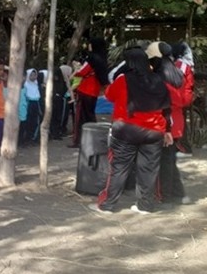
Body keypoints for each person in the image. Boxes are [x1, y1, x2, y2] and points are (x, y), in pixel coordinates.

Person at [89, 48, 172, 214]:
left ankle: (107, 205)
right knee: (148, 170)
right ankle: (145, 206)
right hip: (154, 131)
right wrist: (168, 131)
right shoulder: (159, 80)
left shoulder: (123, 79)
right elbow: (167, 108)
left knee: (119, 168)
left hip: (126, 130)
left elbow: (109, 95)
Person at [146, 41, 192, 206]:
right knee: (170, 160)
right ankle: (178, 194)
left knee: (163, 162)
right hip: (177, 122)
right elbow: (185, 99)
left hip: (166, 124)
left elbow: (161, 104)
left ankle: (165, 196)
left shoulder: (160, 77)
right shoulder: (177, 73)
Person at [71, 37, 109, 148]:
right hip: (94, 92)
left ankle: (78, 140)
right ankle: (93, 139)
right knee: (90, 116)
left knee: (80, 117)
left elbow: (81, 72)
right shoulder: (103, 59)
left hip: (84, 90)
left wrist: (76, 69)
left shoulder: (92, 58)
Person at [171, 41, 196, 158]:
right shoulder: (185, 63)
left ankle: (185, 148)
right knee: (180, 122)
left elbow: (178, 82)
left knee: (178, 123)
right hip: (184, 97)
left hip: (181, 98)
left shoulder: (181, 65)